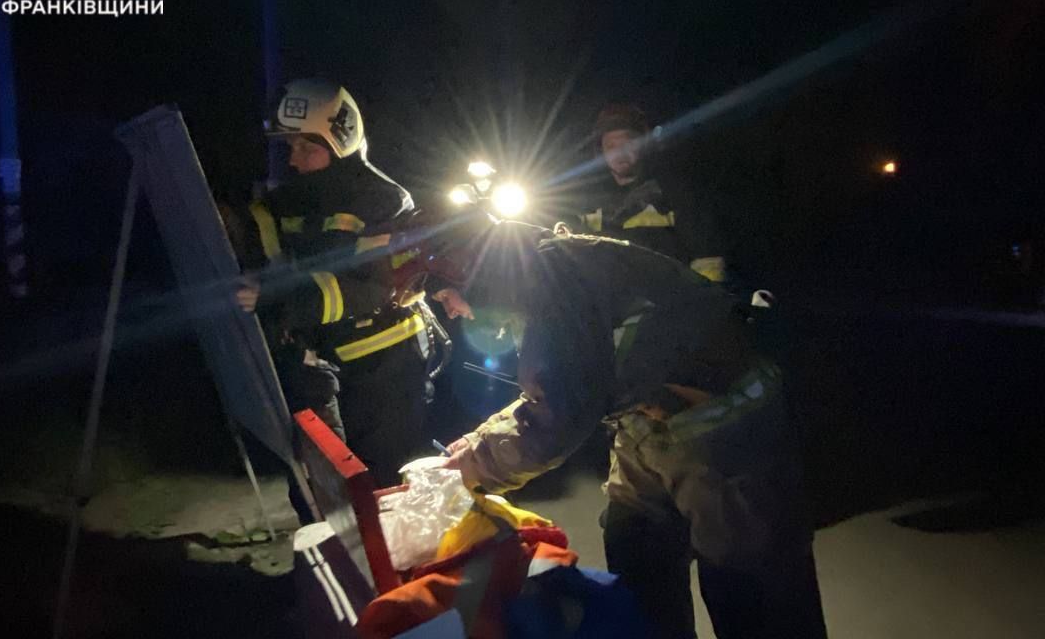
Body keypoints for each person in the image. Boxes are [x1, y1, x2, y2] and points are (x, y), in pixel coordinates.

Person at [440, 221, 827, 639]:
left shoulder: (554, 284)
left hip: (725, 424)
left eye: (447, 296)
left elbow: (560, 416)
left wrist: (469, 467)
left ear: (473, 275)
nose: (451, 310)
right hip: (648, 427)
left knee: (754, 591)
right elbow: (565, 382)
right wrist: (475, 443)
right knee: (636, 552)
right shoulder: (544, 270)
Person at [230, 78, 434, 487]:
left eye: (307, 148)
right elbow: (263, 241)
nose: (294, 160)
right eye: (290, 148)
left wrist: (278, 300)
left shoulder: (384, 200)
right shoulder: (290, 200)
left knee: (385, 485)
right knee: (321, 489)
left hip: (386, 368)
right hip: (322, 366)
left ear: (341, 140)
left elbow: (370, 287)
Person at [572, 103, 735, 284]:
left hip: (668, 296)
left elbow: (707, 257)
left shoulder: (674, 193)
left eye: (628, 143)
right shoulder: (589, 203)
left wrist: (708, 295)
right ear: (600, 152)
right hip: (609, 298)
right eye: (611, 146)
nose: (620, 152)